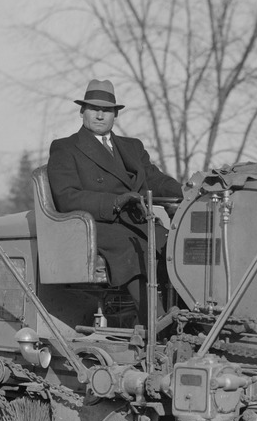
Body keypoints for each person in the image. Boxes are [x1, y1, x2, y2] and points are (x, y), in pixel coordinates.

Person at [47, 78, 183, 313]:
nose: (100, 116)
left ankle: (185, 318)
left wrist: (189, 191)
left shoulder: (132, 147)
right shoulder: (65, 148)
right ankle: (156, 323)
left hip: (137, 221)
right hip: (97, 224)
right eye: (94, 109)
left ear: (115, 115)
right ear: (82, 112)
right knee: (130, 250)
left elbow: (155, 179)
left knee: (177, 246)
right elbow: (66, 197)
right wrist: (115, 202)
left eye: (107, 110)